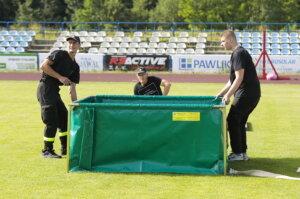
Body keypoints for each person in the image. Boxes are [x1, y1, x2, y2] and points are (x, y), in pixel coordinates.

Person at [216, 30, 261, 161]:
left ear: (230, 40)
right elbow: (232, 80)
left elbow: (239, 78)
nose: (221, 44)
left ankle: (238, 153)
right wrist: (220, 94)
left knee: (232, 120)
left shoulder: (238, 53)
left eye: (223, 41)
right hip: (252, 94)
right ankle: (242, 153)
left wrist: (228, 95)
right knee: (240, 122)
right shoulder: (240, 52)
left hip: (246, 94)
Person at [37, 35, 81, 158]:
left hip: (54, 91)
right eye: (70, 43)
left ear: (79, 46)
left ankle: (64, 149)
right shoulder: (60, 54)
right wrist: (60, 77)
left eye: (74, 43)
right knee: (51, 120)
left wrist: (75, 105)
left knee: (64, 118)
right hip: (45, 88)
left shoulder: (75, 67)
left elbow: (72, 88)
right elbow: (43, 66)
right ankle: (47, 151)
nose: (71, 45)